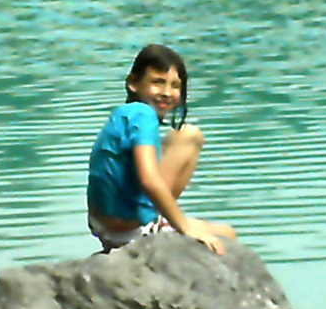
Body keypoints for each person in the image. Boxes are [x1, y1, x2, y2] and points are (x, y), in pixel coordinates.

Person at [87, 44, 236, 254]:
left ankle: (160, 218)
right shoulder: (143, 115)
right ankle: (159, 224)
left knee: (182, 136)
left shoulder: (125, 115)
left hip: (102, 222)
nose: (167, 93)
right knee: (226, 234)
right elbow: (149, 179)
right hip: (127, 228)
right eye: (157, 82)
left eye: (175, 86)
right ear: (133, 83)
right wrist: (184, 226)